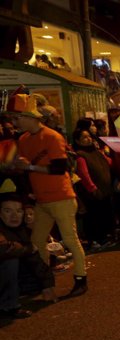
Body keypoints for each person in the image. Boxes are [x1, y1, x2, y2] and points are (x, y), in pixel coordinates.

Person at [6, 93, 88, 296]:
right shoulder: (23, 139)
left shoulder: (52, 136)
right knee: (37, 241)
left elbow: (60, 168)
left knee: (70, 239)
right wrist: (19, 166)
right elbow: (24, 165)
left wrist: (31, 166)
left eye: (17, 118)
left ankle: (80, 279)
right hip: (42, 199)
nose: (14, 123)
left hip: (61, 197)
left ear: (30, 117)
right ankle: (44, 280)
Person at [0, 192, 57, 319]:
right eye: (8, 211)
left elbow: (33, 257)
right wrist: (28, 248)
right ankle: (9, 306)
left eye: (19, 211)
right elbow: (4, 249)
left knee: (32, 279)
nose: (14, 216)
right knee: (11, 260)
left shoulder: (20, 230)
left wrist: (47, 285)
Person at [72, 128, 115, 249]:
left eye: (89, 136)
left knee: (104, 214)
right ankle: (96, 240)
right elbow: (84, 174)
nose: (88, 139)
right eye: (84, 137)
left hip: (105, 190)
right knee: (94, 216)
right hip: (93, 192)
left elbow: (109, 163)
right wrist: (93, 189)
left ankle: (105, 237)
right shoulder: (80, 155)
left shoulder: (96, 152)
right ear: (77, 141)